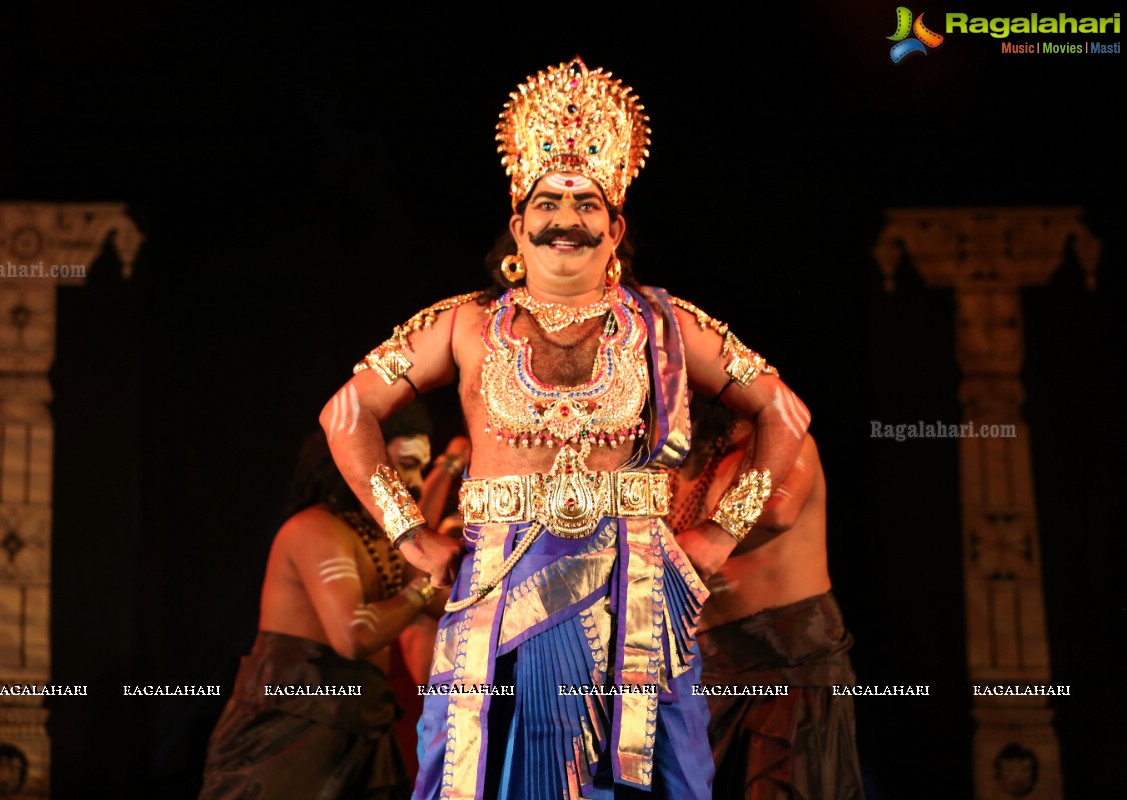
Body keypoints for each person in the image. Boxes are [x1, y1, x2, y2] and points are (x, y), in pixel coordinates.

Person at [321, 57, 811, 800]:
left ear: (615, 227)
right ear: (519, 224)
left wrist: (719, 533)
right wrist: (411, 537)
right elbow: (346, 413)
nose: (566, 219)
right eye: (549, 201)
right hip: (493, 589)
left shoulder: (666, 325)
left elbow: (784, 411)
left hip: (632, 598)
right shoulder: (465, 324)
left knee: (650, 771)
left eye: (587, 204)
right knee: (474, 766)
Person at [199, 404, 464, 800]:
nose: (414, 482)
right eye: (407, 465)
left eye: (421, 469)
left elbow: (438, 594)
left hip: (361, 727)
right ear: (363, 457)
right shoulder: (316, 530)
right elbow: (353, 635)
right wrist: (426, 585)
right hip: (290, 731)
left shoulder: (379, 537)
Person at [668, 397, 862, 799]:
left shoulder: (783, 445)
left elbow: (777, 514)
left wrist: (677, 547)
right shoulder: (664, 466)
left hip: (789, 663)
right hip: (704, 671)